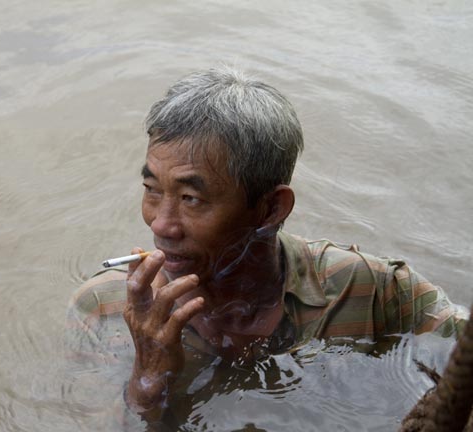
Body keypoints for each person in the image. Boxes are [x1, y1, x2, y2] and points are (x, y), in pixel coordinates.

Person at [65, 66, 468, 428]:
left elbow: (463, 363)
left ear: (271, 208)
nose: (161, 223)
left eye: (191, 198)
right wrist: (148, 382)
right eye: (152, 190)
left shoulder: (368, 289)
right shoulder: (105, 309)